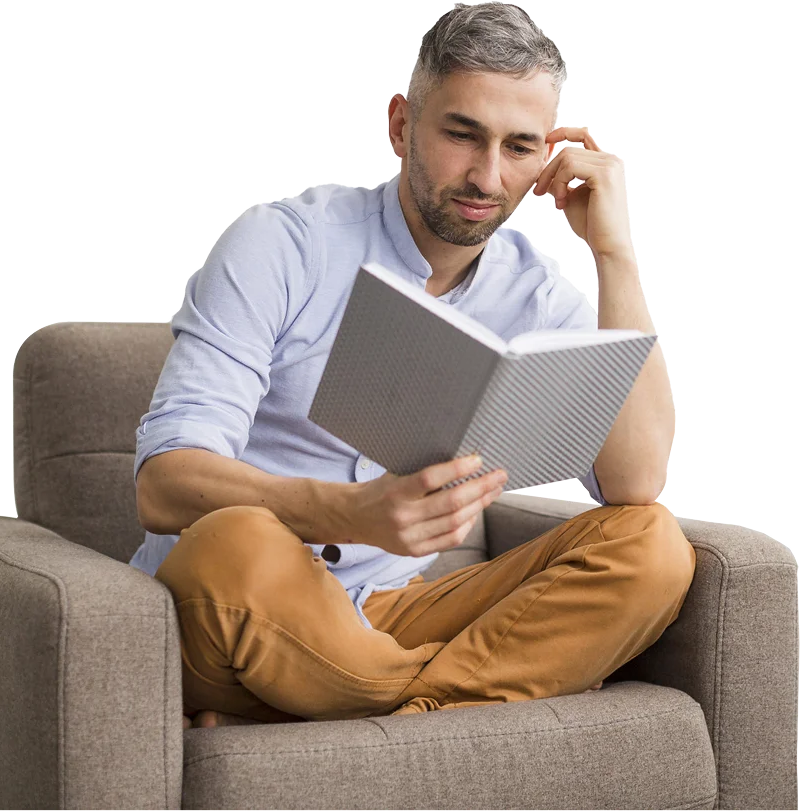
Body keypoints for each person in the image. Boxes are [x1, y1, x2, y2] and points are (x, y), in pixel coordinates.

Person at [130, 3, 695, 731]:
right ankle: (431, 701)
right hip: (248, 596)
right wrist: (348, 513)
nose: (487, 177)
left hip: (389, 616)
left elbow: (635, 484)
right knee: (235, 539)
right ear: (400, 126)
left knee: (652, 549)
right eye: (462, 134)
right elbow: (164, 482)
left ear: (549, 156)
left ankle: (378, 705)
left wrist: (616, 254)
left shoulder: (540, 294)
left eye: (520, 148)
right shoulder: (280, 244)